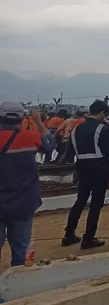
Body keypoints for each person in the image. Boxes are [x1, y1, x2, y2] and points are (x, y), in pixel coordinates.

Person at [0, 103, 55, 266]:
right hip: (23, 203)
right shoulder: (31, 137)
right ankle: (18, 286)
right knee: (21, 249)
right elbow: (51, 144)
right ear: (22, 118)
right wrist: (38, 122)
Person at [62, 99, 109, 249]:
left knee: (80, 201)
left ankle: (69, 234)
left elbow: (69, 151)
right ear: (102, 113)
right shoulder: (102, 129)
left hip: (82, 167)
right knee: (96, 204)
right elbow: (108, 151)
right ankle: (88, 238)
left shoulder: (76, 129)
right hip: (99, 168)